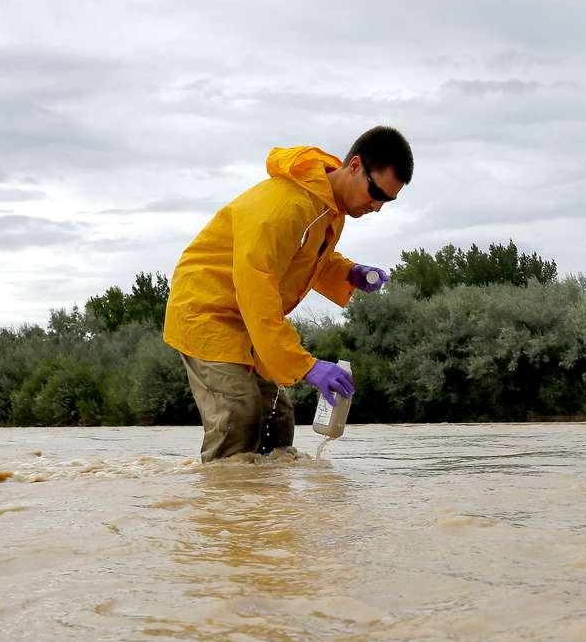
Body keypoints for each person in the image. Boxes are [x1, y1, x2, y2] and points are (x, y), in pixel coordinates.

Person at [163, 126, 413, 462]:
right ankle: (222, 510)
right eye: (376, 193)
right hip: (207, 310)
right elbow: (257, 288)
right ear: (354, 166)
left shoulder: (329, 210)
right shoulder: (284, 206)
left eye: (388, 200)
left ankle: (273, 513)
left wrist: (347, 273)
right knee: (241, 414)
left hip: (248, 317)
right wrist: (306, 366)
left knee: (277, 421)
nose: (377, 206)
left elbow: (305, 258)